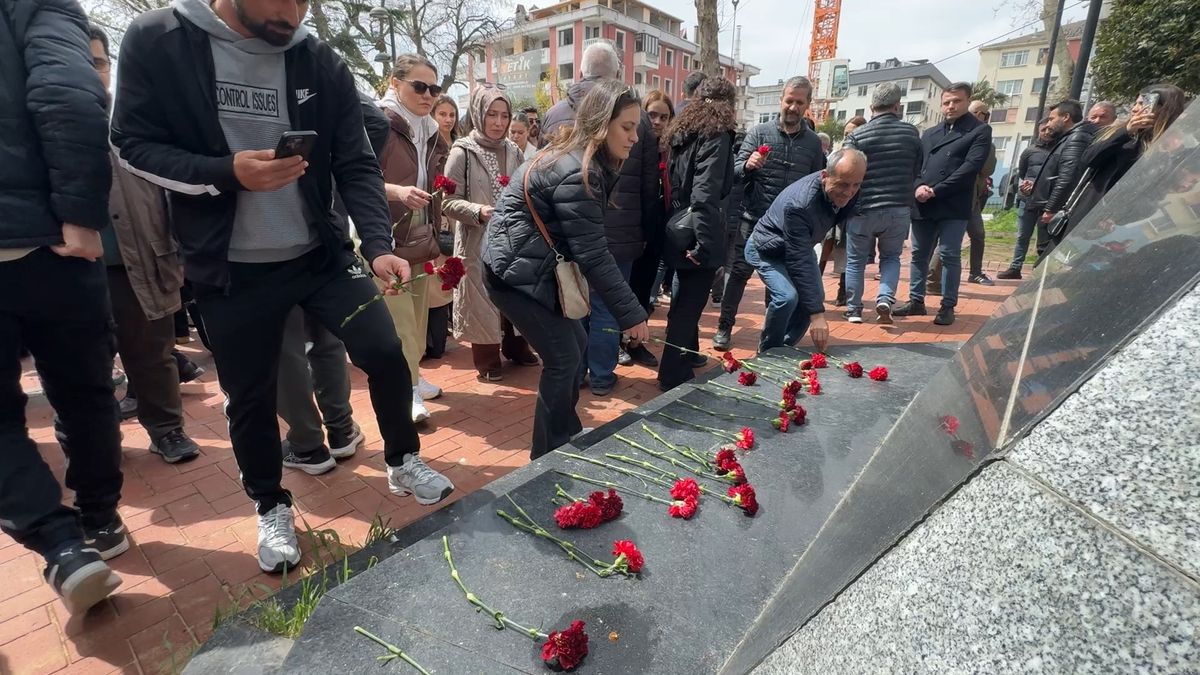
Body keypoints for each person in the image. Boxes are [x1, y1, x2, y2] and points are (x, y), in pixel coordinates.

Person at [112, 0, 454, 574]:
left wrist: (377, 245)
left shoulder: (318, 59)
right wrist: (226, 172)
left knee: (384, 350)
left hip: (318, 254)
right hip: (230, 267)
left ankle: (402, 459)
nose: (294, 12)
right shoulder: (160, 38)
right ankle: (270, 504)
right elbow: (132, 146)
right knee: (250, 395)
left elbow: (356, 163)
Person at [1, 0, 124, 613]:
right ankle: (100, 521)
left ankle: (60, 544)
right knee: (84, 392)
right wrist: (79, 215)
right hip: (53, 241)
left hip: (40, 230)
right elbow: (72, 97)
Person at [484, 80, 649, 459]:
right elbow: (593, 254)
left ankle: (566, 430)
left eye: (636, 127)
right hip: (513, 274)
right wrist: (631, 314)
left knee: (576, 345)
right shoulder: (580, 170)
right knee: (563, 360)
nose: (635, 137)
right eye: (627, 127)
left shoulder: (580, 155)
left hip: (523, 263)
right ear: (601, 123)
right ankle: (547, 453)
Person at [84, 26, 202, 467]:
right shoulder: (35, 124)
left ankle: (167, 431)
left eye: (97, 61)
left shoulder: (136, 121)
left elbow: (174, 188)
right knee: (81, 364)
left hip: (143, 257)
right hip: (70, 267)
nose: (90, 70)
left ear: (110, 68)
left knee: (153, 355)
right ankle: (95, 447)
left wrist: (184, 250)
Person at [542, 43, 658, 397]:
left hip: (566, 233)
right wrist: (647, 232)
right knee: (607, 306)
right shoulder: (637, 118)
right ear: (617, 74)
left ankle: (576, 374)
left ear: (580, 71)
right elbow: (649, 185)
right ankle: (603, 377)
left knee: (574, 302)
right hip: (618, 232)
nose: (632, 135)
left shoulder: (556, 113)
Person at [713, 75, 825, 351]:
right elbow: (734, 173)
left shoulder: (812, 144)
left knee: (779, 284)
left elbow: (817, 184)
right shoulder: (759, 133)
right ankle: (724, 326)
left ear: (807, 105)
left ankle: (771, 331)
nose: (793, 107)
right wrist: (748, 165)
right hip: (753, 221)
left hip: (789, 228)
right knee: (738, 275)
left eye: (800, 102)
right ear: (781, 100)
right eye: (789, 100)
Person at [443, 84, 537, 382]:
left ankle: (516, 346)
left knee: (515, 290)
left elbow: (525, 189)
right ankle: (487, 358)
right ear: (478, 114)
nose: (498, 122)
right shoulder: (462, 152)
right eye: (492, 115)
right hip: (477, 238)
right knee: (482, 297)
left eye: (504, 115)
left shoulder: (514, 150)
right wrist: (478, 211)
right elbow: (447, 201)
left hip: (511, 238)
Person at [377, 55, 450, 423]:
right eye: (418, 86)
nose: (427, 95)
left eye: (433, 89)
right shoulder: (377, 122)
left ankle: (414, 377)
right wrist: (395, 192)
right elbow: (352, 178)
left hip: (420, 232)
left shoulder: (430, 129)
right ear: (395, 83)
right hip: (385, 236)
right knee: (400, 319)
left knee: (420, 315)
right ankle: (404, 390)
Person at [658, 77, 738, 390]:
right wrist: (706, 246)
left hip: (678, 224)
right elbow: (705, 194)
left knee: (682, 299)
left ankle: (686, 356)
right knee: (688, 306)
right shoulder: (715, 134)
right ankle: (673, 373)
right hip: (697, 229)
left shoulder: (682, 131)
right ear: (727, 105)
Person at [894, 82, 993, 326]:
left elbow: (970, 168)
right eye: (947, 102)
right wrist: (917, 187)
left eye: (956, 101)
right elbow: (916, 167)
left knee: (949, 253)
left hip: (953, 202)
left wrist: (936, 190)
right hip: (923, 201)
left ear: (967, 101)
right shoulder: (930, 133)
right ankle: (916, 301)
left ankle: (947, 305)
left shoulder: (979, 131)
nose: (951, 106)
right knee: (918, 254)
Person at [747, 150, 865, 351]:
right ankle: (769, 350)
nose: (849, 192)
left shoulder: (848, 186)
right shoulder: (800, 205)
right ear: (825, 176)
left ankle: (785, 345)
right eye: (844, 185)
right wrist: (817, 316)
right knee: (787, 297)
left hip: (798, 244)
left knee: (811, 298)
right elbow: (798, 259)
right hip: (766, 247)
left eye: (856, 185)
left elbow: (801, 252)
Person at [841, 82, 922, 324]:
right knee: (890, 258)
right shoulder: (911, 134)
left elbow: (846, 169)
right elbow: (917, 168)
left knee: (855, 260)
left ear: (871, 106)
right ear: (898, 106)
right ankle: (885, 299)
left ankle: (854, 309)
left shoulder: (857, 136)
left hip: (863, 208)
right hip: (898, 207)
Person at [1071, 84, 1189, 225]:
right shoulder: (1118, 133)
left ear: (1161, 109)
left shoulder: (1162, 156)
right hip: (1081, 212)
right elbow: (1088, 160)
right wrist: (1126, 132)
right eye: (1136, 103)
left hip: (1104, 223)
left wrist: (1116, 218)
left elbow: (1151, 201)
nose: (1134, 108)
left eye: (1142, 104)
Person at [1030, 99, 1098, 257]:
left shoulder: (1076, 138)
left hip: (1056, 210)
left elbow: (1068, 176)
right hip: (1051, 207)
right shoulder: (1068, 138)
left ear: (1066, 117)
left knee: (1048, 255)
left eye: (1052, 119)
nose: (1049, 124)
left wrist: (1051, 208)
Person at [997, 119, 1056, 279]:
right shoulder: (1029, 151)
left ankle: (1042, 270)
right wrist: (1028, 186)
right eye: (1043, 129)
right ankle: (1015, 268)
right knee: (1022, 236)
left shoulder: (1059, 150)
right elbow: (1023, 173)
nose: (1046, 132)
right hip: (1027, 200)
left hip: (1048, 201)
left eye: (1049, 129)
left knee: (1045, 238)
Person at [427, 94, 461, 360]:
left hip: (457, 217)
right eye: (443, 114)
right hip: (435, 219)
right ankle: (431, 341)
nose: (448, 119)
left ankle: (443, 332)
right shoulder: (429, 145)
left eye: (452, 114)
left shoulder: (459, 145)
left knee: (448, 279)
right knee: (435, 281)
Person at [640, 89, 676, 318]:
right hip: (635, 227)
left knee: (647, 282)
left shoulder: (670, 149)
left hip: (660, 225)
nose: (657, 122)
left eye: (664, 117)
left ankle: (635, 341)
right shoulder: (633, 146)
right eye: (652, 115)